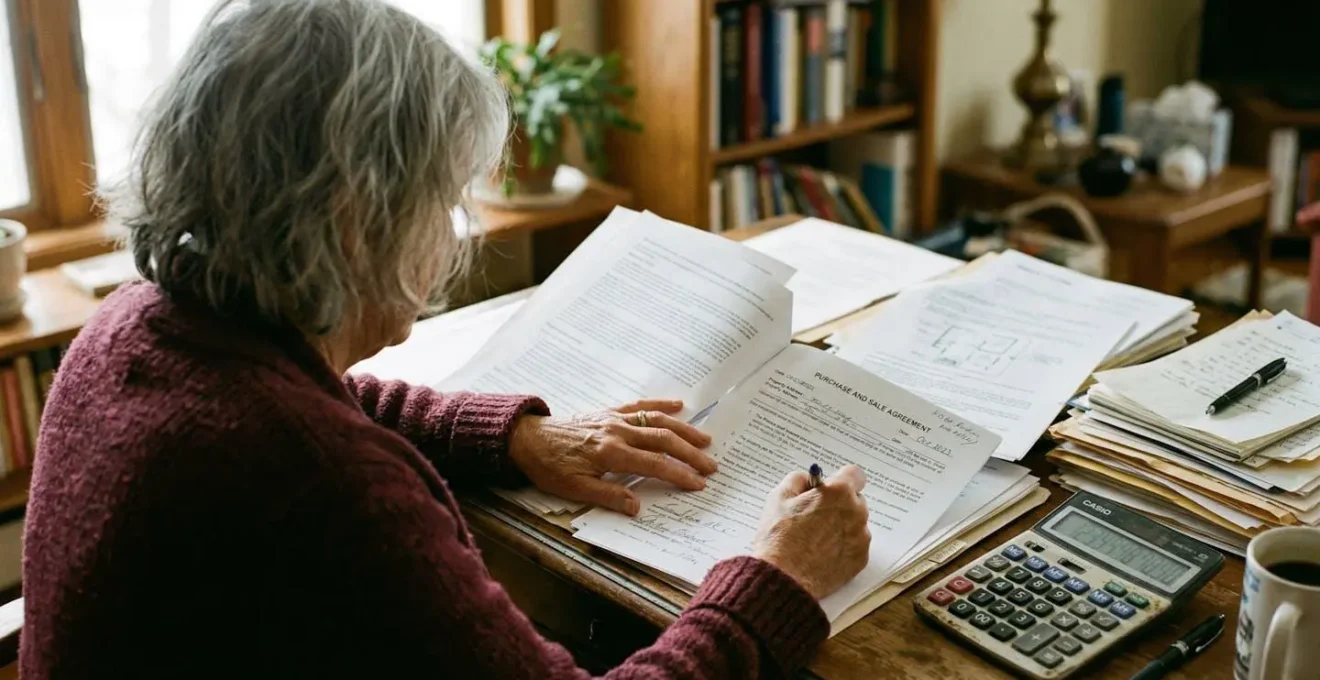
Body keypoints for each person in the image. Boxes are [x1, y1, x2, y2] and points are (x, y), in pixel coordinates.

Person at [21, 1, 871, 677]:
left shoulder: (136, 323)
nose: (456, 233)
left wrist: (517, 434)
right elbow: (307, 448)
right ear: (357, 223)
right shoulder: (327, 489)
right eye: (444, 201)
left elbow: (315, 402)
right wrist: (780, 580)